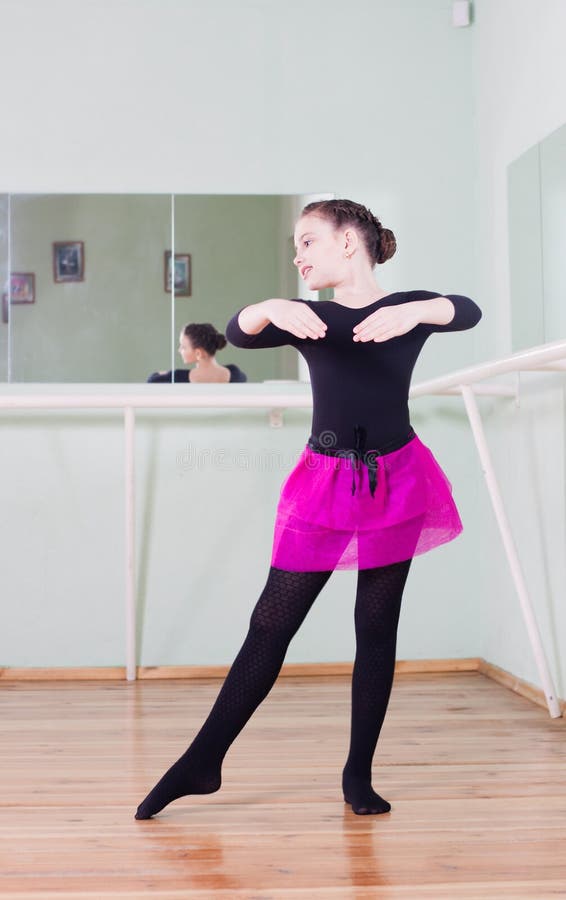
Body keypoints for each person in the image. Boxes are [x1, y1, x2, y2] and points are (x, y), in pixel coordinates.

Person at [135, 198, 482, 820]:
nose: (298, 257)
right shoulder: (308, 317)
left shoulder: (405, 312)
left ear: (349, 242)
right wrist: (269, 307)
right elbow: (240, 330)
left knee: (376, 628)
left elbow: (467, 311)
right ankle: (202, 761)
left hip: (397, 478)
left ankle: (357, 775)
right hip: (323, 482)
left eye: (307, 242)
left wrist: (421, 310)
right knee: (270, 624)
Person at [147, 322, 247, 383]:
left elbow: (152, 380)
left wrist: (163, 373)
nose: (179, 350)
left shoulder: (178, 376)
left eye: (183, 347)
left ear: (198, 353)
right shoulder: (234, 372)